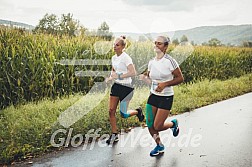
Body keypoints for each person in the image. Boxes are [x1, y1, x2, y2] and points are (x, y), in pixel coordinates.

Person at [139, 36, 184, 156]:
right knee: (150, 124)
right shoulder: (151, 62)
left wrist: (165, 84)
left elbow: (180, 78)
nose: (156, 45)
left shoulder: (169, 61)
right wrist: (144, 77)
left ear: (165, 46)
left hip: (166, 97)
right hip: (153, 96)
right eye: (155, 43)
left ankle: (173, 124)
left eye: (160, 44)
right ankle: (159, 145)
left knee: (157, 126)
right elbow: (150, 78)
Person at [105, 36, 145, 144]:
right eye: (114, 44)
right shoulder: (114, 58)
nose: (114, 46)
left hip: (127, 88)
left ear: (123, 47)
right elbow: (113, 71)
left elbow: (133, 72)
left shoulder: (126, 58)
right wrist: (110, 78)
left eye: (117, 45)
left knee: (124, 114)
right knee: (111, 111)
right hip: (116, 86)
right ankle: (114, 134)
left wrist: (119, 76)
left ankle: (138, 111)